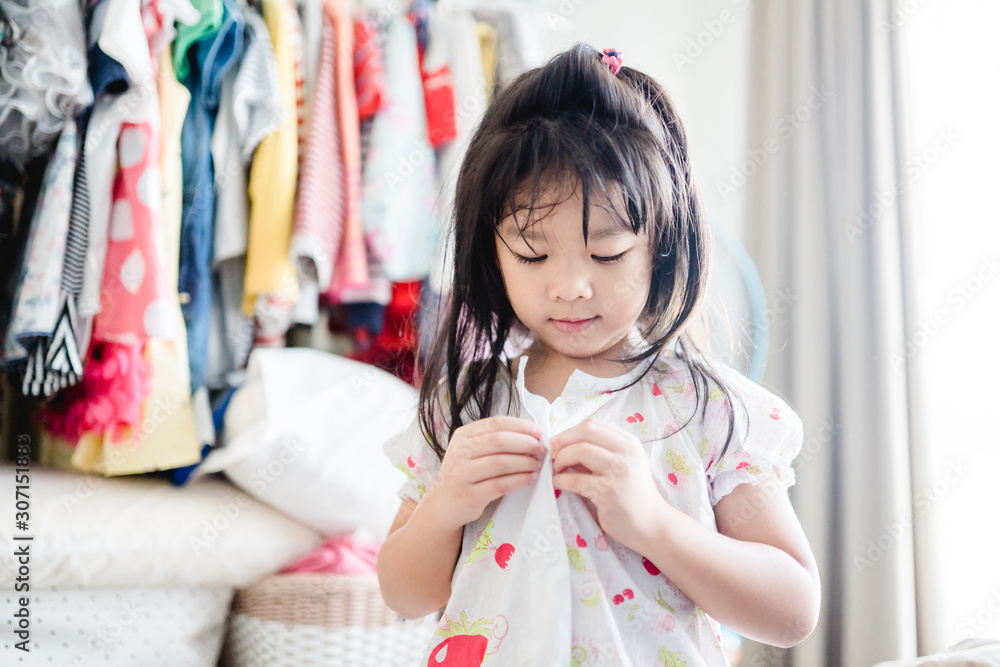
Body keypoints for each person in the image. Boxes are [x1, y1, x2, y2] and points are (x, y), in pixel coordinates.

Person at [376, 43, 821, 665]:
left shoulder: (706, 408)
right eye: (532, 254)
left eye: (607, 253)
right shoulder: (467, 403)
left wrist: (652, 523)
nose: (570, 286)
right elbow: (404, 593)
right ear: (491, 254)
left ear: (660, 246)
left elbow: (791, 609)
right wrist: (446, 503)